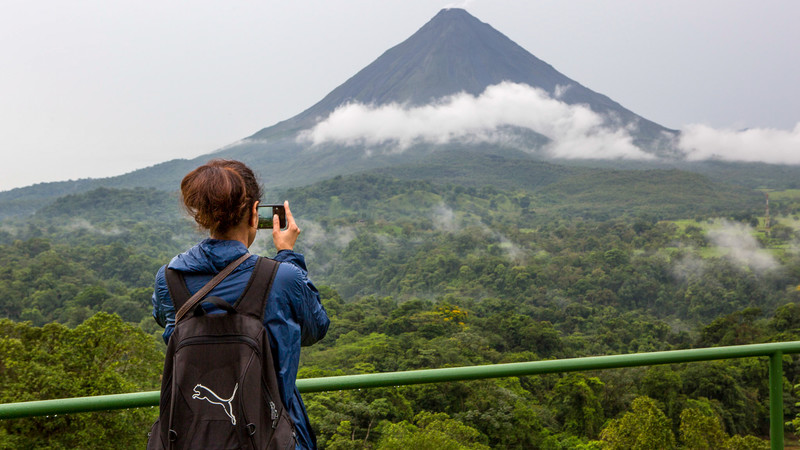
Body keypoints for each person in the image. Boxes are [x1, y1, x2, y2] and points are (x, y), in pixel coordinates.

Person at [151, 159, 329, 449]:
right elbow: (315, 329)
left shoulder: (169, 279)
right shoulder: (281, 277)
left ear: (201, 215)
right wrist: (287, 254)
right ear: (255, 212)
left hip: (192, 438)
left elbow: (167, 321)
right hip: (271, 438)